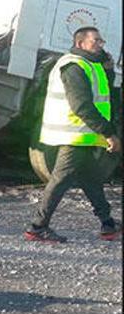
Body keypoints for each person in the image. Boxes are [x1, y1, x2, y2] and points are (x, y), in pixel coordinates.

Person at [25, 26, 122, 242]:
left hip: (83, 134)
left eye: (101, 41)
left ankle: (108, 224)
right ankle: (37, 227)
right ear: (80, 43)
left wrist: (108, 70)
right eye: (96, 40)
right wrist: (108, 133)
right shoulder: (73, 66)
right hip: (74, 134)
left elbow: (105, 97)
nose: (101, 44)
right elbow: (82, 106)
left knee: (91, 178)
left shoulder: (90, 65)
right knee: (61, 179)